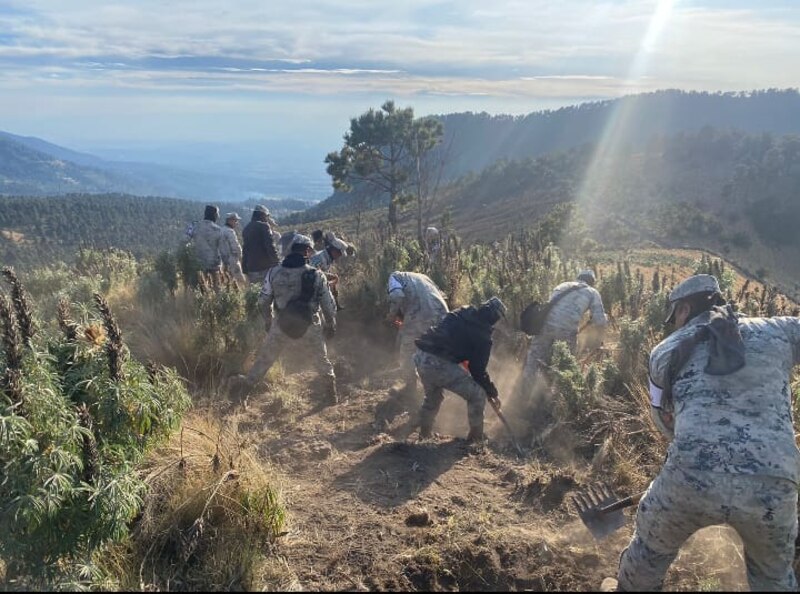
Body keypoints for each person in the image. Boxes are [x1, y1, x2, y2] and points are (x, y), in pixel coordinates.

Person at [604, 274, 800, 592]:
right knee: (773, 577)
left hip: (691, 476)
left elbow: (662, 421)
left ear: (684, 309)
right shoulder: (778, 329)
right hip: (774, 484)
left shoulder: (664, 351)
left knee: (648, 555)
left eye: (674, 317)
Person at [228, 234, 338, 405]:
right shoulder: (317, 275)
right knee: (321, 359)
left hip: (282, 325)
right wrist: (331, 324)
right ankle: (331, 396)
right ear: (307, 251)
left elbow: (263, 301)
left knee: (265, 359)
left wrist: (268, 320)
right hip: (310, 324)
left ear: (291, 250)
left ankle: (244, 393)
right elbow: (329, 306)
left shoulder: (273, 273)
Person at [412, 296, 507, 443]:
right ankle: (476, 440)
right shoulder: (483, 337)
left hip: (421, 356)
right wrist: (491, 391)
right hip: (438, 364)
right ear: (495, 318)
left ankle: (424, 435)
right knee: (477, 395)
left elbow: (447, 335)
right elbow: (477, 371)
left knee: (433, 397)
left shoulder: (463, 311)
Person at [522, 269, 608, 377]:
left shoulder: (562, 285)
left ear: (579, 277)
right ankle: (558, 387)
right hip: (566, 331)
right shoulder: (592, 292)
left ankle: (525, 383)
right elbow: (600, 321)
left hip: (545, 326)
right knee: (566, 362)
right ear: (592, 282)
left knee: (535, 356)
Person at [386, 271, 449, 398]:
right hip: (443, 314)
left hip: (419, 315)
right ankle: (448, 383)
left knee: (407, 352)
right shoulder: (423, 277)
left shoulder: (393, 277)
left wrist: (391, 315)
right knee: (437, 352)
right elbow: (441, 295)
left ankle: (410, 387)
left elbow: (397, 295)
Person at [310, 231, 353, 310]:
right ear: (333, 250)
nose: (339, 256)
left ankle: (336, 306)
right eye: (339, 253)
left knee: (333, 279)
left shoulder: (326, 258)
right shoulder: (320, 259)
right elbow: (315, 279)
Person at [242, 205, 280, 285]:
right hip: (265, 267)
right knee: (268, 292)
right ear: (262, 215)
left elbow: (245, 249)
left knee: (256, 293)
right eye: (266, 216)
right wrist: (277, 262)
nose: (267, 219)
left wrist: (244, 267)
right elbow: (270, 246)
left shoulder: (246, 228)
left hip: (251, 268)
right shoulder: (264, 226)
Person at [191, 205, 223, 274]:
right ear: (214, 215)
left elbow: (184, 241)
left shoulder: (194, 226)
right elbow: (223, 249)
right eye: (217, 214)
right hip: (214, 265)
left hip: (197, 264)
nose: (218, 216)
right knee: (214, 284)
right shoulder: (218, 230)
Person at [220, 212, 245, 283]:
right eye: (235, 220)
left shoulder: (221, 230)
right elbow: (236, 246)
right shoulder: (230, 231)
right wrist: (241, 257)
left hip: (223, 261)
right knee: (240, 281)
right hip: (232, 261)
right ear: (230, 220)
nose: (237, 223)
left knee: (227, 282)